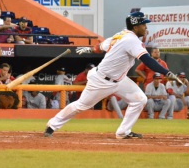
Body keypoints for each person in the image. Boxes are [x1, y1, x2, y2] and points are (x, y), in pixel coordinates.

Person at [44, 12, 179, 138]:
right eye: (143, 25)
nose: (145, 27)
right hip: (102, 80)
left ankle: (123, 132)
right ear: (135, 27)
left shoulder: (121, 35)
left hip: (119, 80)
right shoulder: (131, 40)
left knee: (140, 99)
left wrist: (90, 49)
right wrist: (166, 72)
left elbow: (100, 47)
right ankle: (52, 125)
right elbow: (147, 60)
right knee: (80, 106)